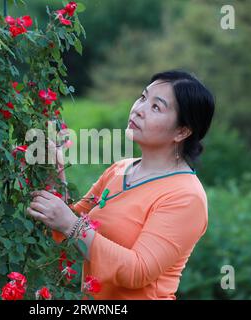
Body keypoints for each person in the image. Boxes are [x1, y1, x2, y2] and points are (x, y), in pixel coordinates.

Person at [27, 70, 215, 299]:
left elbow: (137, 271)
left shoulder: (186, 196)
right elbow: (64, 229)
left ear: (181, 131)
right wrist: (55, 172)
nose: (138, 109)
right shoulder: (120, 169)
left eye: (156, 107)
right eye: (143, 97)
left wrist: (71, 224)